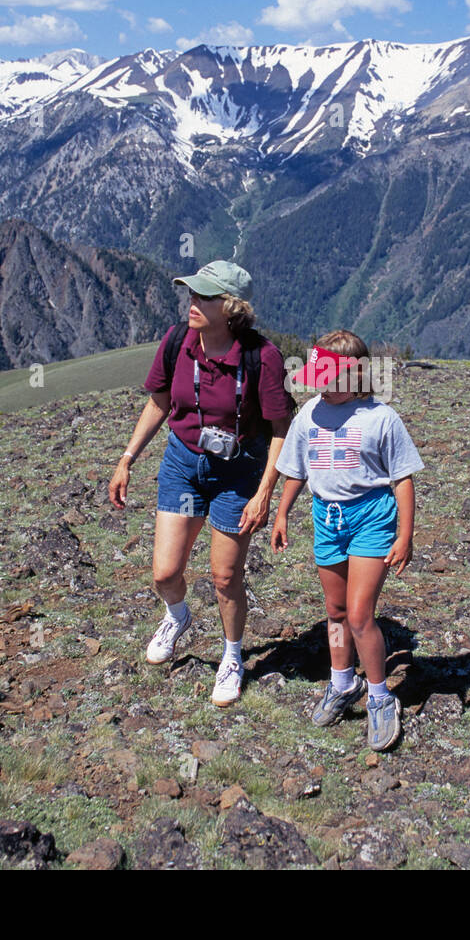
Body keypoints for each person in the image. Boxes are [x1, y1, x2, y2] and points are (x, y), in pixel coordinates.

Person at [109, 260, 293, 707]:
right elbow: (158, 403)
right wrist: (127, 458)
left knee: (225, 576)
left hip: (238, 471)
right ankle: (177, 615)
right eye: (192, 293)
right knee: (165, 572)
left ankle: (233, 657)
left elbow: (282, 426)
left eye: (204, 296)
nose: (192, 302)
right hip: (182, 463)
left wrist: (265, 491)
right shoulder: (177, 342)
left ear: (230, 307)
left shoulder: (260, 357)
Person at [270, 331, 424, 751]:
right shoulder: (308, 415)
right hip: (327, 519)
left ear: (356, 375)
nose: (321, 384)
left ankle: (379, 696)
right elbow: (297, 471)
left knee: (359, 615)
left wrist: (405, 535)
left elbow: (403, 479)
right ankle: (342, 683)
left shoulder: (381, 418)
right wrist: (282, 513)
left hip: (371, 518)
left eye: (331, 376)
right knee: (335, 612)